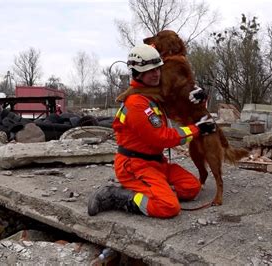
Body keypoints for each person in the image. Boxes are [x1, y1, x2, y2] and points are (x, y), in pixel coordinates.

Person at [87, 44, 215, 218]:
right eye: (149, 71)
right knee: (168, 207)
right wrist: (197, 130)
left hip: (157, 163)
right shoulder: (137, 104)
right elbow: (161, 138)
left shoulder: (153, 96)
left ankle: (154, 189)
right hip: (135, 166)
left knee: (191, 187)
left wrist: (199, 95)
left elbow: (179, 102)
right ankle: (117, 196)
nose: (155, 74)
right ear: (137, 73)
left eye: (157, 69)